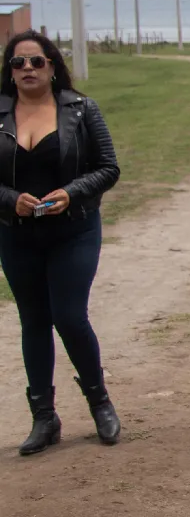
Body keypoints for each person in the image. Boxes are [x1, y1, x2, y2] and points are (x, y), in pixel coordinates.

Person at [0, 30, 121, 455]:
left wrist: (71, 192)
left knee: (69, 316)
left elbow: (108, 168)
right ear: (10, 72)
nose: (28, 69)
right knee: (33, 320)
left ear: (52, 66)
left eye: (36, 61)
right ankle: (44, 418)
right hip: (16, 234)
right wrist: (11, 200)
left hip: (74, 229)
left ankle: (100, 402)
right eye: (18, 63)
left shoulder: (82, 109)